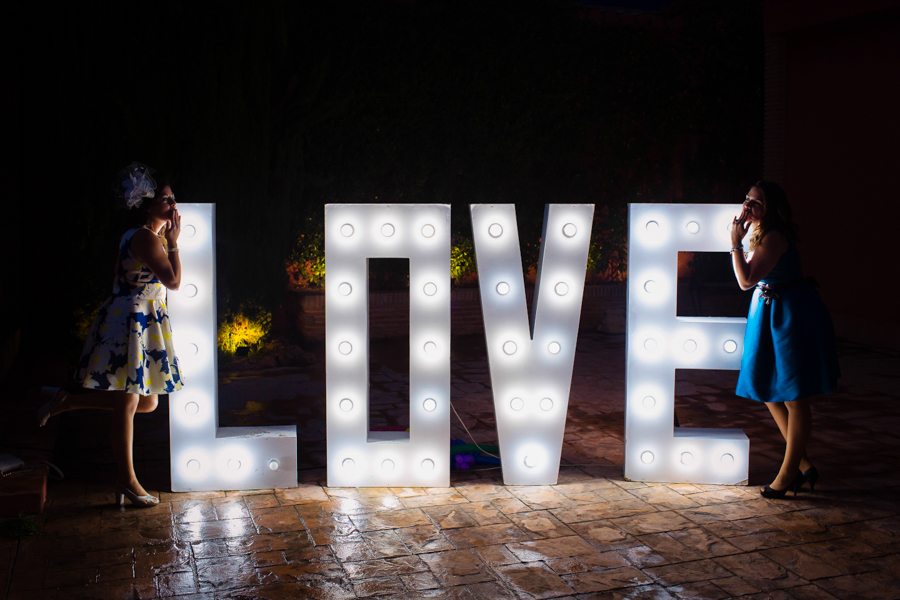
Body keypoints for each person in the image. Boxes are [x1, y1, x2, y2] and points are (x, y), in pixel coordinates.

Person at [37, 162, 185, 507]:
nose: (173, 205)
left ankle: (68, 401)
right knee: (130, 401)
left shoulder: (134, 236)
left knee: (146, 401)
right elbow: (174, 282)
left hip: (132, 317)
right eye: (166, 199)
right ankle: (127, 480)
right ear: (148, 206)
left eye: (173, 197)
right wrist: (174, 244)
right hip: (132, 320)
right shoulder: (147, 238)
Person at [730, 180, 840, 499]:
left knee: (795, 395)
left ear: (771, 209)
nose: (748, 206)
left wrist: (734, 243)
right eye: (747, 199)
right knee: (768, 388)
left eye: (757, 203)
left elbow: (745, 280)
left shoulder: (774, 235)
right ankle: (804, 464)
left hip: (788, 314)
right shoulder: (759, 230)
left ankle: (788, 473)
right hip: (769, 310)